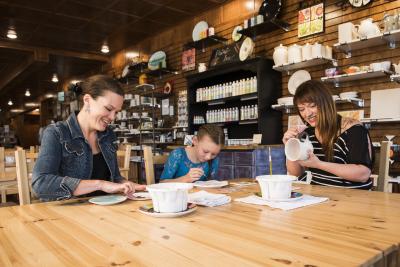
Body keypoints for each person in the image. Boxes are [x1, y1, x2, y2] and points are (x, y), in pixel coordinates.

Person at [32, 75, 145, 201]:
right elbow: (41, 184)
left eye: (117, 112)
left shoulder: (108, 135)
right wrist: (100, 184)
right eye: (108, 109)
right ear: (87, 100)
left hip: (104, 210)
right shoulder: (57, 133)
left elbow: (115, 177)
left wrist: (126, 184)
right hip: (66, 214)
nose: (113, 117)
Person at [282, 80, 373, 190]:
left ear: (326, 103)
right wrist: (290, 147)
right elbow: (295, 173)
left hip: (352, 199)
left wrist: (319, 164)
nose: (307, 113)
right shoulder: (307, 134)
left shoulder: (354, 130)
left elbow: (363, 174)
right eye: (302, 109)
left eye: (312, 106)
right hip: (318, 197)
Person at [160, 124, 224, 183]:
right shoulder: (178, 155)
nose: (208, 157)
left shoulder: (214, 160)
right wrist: (185, 179)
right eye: (205, 151)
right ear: (195, 141)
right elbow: (161, 183)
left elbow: (211, 183)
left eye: (214, 154)